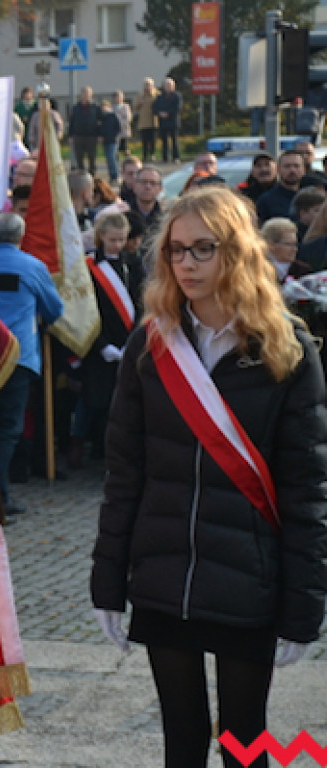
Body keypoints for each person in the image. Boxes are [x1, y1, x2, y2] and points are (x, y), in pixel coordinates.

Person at [91, 186, 327, 768]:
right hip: (164, 571)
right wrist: (108, 579)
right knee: (182, 740)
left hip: (249, 579)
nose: (187, 264)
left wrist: (303, 607)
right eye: (176, 250)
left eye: (203, 248)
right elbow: (124, 474)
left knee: (245, 743)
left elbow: (307, 489)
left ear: (238, 252)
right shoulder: (150, 345)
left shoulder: (287, 350)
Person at [0, 213, 64, 513]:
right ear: (20, 235)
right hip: (18, 357)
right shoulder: (32, 267)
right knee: (7, 428)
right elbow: (54, 309)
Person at [68, 213, 141, 470]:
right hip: (100, 342)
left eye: (122, 239)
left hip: (127, 341)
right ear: (101, 237)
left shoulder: (132, 263)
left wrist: (133, 342)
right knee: (91, 400)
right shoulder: (88, 267)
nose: (118, 245)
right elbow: (85, 311)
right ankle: (78, 445)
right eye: (113, 240)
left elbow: (140, 303)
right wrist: (102, 346)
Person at [256, 150, 305, 224]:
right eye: (287, 166)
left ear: (304, 169)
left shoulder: (313, 197)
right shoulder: (266, 201)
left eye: (296, 166)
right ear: (278, 170)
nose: (292, 170)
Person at [262, 217, 311, 283]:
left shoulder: (303, 271)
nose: (295, 249)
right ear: (271, 245)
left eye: (295, 244)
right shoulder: (257, 269)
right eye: (289, 244)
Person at [68, 86, 101, 174]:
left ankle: (92, 175)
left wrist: (100, 135)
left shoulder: (96, 107)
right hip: (78, 136)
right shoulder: (76, 108)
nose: (86, 95)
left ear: (91, 95)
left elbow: (100, 122)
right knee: (79, 157)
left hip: (91, 136)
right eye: (84, 93)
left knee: (92, 157)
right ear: (81, 95)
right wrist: (70, 136)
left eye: (88, 93)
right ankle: (81, 176)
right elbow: (71, 122)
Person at [154, 78, 182, 163]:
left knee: (174, 141)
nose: (168, 87)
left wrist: (168, 113)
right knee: (164, 141)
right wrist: (159, 113)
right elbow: (154, 107)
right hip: (163, 122)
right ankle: (165, 158)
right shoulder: (160, 97)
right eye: (167, 85)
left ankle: (176, 157)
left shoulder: (177, 96)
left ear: (174, 86)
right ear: (164, 86)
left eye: (170, 85)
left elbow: (178, 107)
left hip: (173, 121)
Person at [134, 78, 160, 163]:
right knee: (144, 141)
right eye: (146, 85)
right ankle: (144, 156)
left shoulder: (157, 94)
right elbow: (135, 107)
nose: (147, 87)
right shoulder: (140, 95)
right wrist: (139, 104)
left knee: (153, 140)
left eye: (149, 85)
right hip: (143, 122)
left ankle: (152, 154)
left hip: (154, 122)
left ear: (152, 85)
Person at [112, 90, 132, 160]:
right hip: (115, 131)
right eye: (117, 97)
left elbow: (128, 118)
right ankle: (117, 161)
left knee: (125, 147)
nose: (119, 98)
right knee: (116, 147)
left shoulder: (125, 106)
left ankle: (128, 160)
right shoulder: (112, 108)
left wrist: (119, 122)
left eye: (120, 97)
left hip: (124, 130)